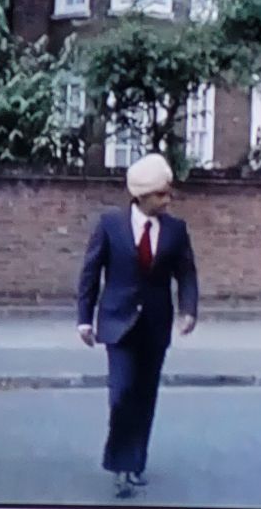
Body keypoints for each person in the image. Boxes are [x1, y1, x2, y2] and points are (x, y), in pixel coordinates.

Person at [76, 153, 199, 497]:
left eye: (168, 193)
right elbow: (90, 272)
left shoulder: (176, 230)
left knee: (144, 397)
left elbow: (186, 272)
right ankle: (119, 464)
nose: (167, 199)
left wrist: (188, 310)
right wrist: (84, 319)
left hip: (155, 326)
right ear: (141, 195)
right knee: (121, 395)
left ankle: (135, 462)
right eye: (161, 194)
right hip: (118, 324)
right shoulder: (110, 225)